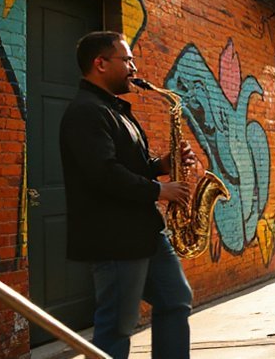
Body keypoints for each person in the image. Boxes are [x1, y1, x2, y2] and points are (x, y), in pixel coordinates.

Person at [59, 31, 194, 358]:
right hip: (114, 239)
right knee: (117, 325)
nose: (134, 67)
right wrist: (161, 189)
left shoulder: (115, 110)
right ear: (100, 63)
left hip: (143, 232)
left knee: (176, 299)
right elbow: (103, 174)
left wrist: (162, 164)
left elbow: (128, 166)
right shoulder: (85, 112)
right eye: (127, 60)